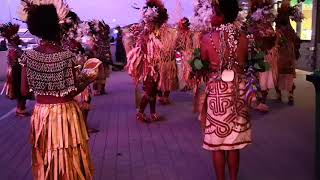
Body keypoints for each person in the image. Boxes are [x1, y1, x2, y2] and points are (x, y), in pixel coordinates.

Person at [19, 4, 94, 179]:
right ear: (57, 27)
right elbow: (71, 91)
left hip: (41, 115)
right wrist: (87, 79)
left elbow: (24, 90)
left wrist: (43, 87)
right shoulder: (66, 55)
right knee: (69, 157)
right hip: (65, 114)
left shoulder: (28, 57)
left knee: (46, 157)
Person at [200, 1, 251, 180]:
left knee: (218, 145)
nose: (211, 16)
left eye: (214, 12)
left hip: (217, 93)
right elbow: (246, 62)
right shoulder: (244, 38)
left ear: (221, 15)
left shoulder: (207, 38)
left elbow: (203, 63)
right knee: (234, 144)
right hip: (238, 91)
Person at [127, 0, 175, 122]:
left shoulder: (158, 32)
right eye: (150, 21)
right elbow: (141, 49)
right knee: (149, 91)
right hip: (149, 68)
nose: (151, 23)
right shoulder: (145, 33)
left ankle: (153, 113)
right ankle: (140, 113)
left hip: (157, 66)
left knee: (153, 91)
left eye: (153, 22)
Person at [0, 23, 30, 116]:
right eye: (17, 39)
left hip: (16, 70)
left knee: (19, 91)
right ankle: (20, 109)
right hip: (16, 72)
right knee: (19, 91)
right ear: (14, 41)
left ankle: (21, 108)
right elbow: (21, 58)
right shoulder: (14, 50)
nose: (19, 40)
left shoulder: (13, 48)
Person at [275, 1, 301, 105]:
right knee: (286, 74)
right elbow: (296, 40)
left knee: (280, 74)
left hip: (283, 53)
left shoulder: (279, 30)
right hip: (286, 53)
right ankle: (289, 95)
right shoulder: (288, 30)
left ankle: (281, 94)